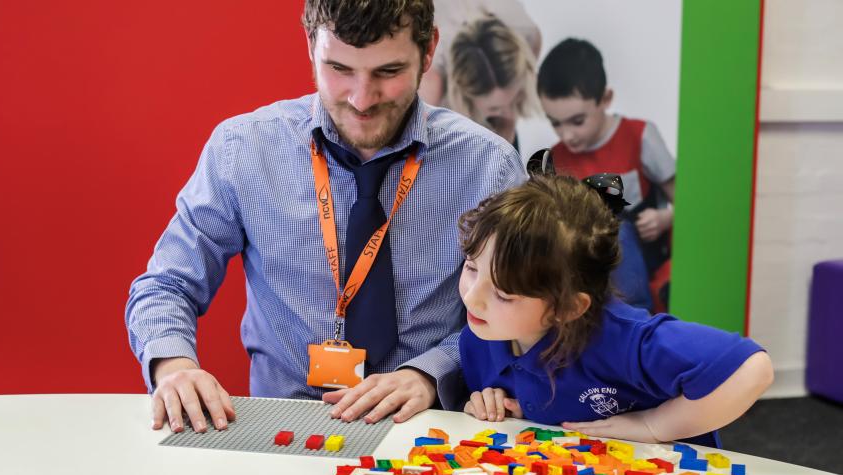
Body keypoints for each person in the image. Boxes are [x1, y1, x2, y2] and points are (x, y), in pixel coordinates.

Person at [125, 0, 526, 435]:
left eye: (388, 72)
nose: (361, 99)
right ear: (310, 46)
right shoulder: (243, 149)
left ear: (428, 51)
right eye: (339, 69)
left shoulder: (490, 166)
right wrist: (173, 366)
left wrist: (430, 373)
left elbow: (526, 308)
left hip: (433, 427)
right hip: (281, 427)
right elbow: (166, 284)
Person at [455, 166, 773, 447]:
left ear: (567, 308)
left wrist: (653, 426)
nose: (471, 297)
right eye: (471, 268)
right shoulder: (481, 336)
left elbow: (752, 369)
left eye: (504, 294)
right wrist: (497, 404)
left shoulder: (624, 340)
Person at [537, 37, 675, 312]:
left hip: (643, 265)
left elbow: (688, 202)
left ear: (606, 99)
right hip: (583, 274)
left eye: (577, 121)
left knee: (616, 228)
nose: (568, 135)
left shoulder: (639, 136)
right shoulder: (555, 159)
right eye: (556, 124)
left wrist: (665, 218)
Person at [419, 1, 541, 149]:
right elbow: (417, 135)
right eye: (494, 108)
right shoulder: (432, 76)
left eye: (514, 99)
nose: (507, 112)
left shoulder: (524, 31)